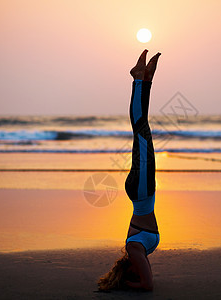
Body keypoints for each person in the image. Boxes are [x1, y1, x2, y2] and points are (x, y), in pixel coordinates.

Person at [97, 49, 161, 291]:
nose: (141, 268)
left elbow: (147, 285)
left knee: (141, 128)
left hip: (142, 191)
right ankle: (145, 79)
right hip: (141, 190)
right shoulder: (138, 252)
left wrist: (125, 283)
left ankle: (139, 79)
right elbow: (146, 279)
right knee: (142, 129)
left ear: (128, 269)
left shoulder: (134, 249)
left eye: (132, 271)